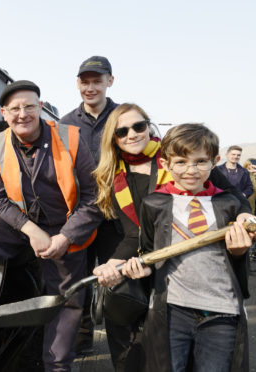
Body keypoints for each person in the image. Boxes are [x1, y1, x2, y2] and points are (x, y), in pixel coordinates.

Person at [0, 80, 102, 372]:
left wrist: (65, 236)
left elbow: (93, 198)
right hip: (23, 223)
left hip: (66, 226)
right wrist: (30, 230)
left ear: (40, 107)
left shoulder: (72, 139)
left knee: (66, 299)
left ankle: (58, 365)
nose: (22, 114)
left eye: (28, 106)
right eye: (14, 109)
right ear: (4, 113)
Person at [91, 105, 253, 371]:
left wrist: (246, 222)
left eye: (138, 126)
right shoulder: (113, 175)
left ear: (148, 125)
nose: (132, 134)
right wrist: (116, 264)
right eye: (122, 131)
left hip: (214, 299)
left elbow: (235, 201)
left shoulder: (181, 151)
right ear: (113, 137)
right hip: (162, 288)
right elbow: (138, 234)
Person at [60, 56, 121, 352]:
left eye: (97, 81)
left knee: (116, 277)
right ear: (77, 84)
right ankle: (82, 335)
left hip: (116, 216)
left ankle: (121, 338)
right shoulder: (65, 124)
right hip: (81, 215)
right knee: (80, 278)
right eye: (85, 82)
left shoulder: (124, 118)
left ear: (110, 81)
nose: (91, 87)